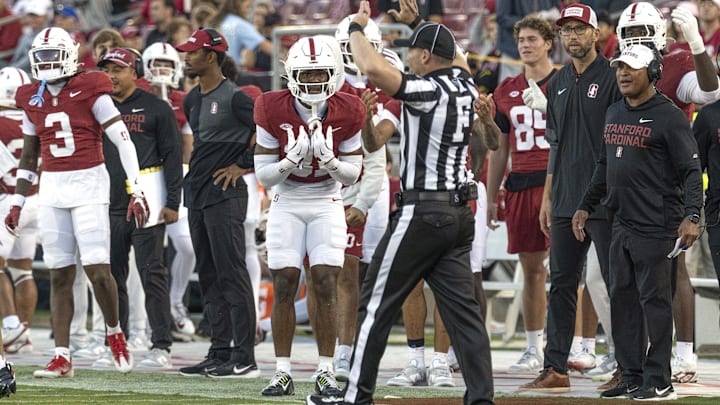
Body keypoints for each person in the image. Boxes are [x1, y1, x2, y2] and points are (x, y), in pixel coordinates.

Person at [307, 2, 494, 404]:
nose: (408, 57)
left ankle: (355, 396)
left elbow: (374, 70)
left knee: (374, 306)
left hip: (423, 210)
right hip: (458, 215)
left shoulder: (429, 88)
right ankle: (481, 399)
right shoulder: (464, 83)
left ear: (425, 56)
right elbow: (454, 57)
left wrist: (357, 27)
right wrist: (416, 22)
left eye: (412, 50)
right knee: (465, 316)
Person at [589, 2, 720, 388]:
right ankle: (629, 362)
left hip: (665, 185)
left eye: (643, 32)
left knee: (668, 275)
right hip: (624, 182)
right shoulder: (620, 66)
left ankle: (680, 355)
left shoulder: (676, 61)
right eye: (629, 34)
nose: (636, 41)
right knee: (612, 280)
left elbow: (711, 92)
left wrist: (696, 43)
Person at [6, 26, 146, 378]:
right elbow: (29, 154)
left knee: (98, 270)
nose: (48, 63)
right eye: (42, 57)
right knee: (59, 274)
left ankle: (115, 333)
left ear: (69, 54)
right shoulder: (29, 96)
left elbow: (123, 140)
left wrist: (137, 188)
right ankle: (61, 355)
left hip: (88, 182)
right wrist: (18, 200)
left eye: (54, 55)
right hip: (52, 186)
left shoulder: (93, 86)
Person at [573, 43, 702, 400]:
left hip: (658, 224)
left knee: (655, 303)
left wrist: (692, 216)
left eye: (631, 67)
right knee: (622, 300)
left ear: (654, 72)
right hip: (621, 222)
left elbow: (691, 170)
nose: (623, 73)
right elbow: (604, 165)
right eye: (619, 68)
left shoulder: (670, 116)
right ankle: (630, 374)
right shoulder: (614, 111)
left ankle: (659, 380)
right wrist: (586, 204)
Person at [520, 4, 622, 393]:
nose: (573, 36)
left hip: (605, 199)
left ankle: (627, 365)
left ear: (595, 34)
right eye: (567, 30)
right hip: (564, 199)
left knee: (616, 284)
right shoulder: (558, 81)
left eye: (580, 29)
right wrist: (548, 197)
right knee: (560, 284)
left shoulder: (613, 76)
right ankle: (555, 368)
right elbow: (556, 145)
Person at [254, 34, 363, 398]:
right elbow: (263, 174)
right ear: (291, 74)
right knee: (285, 280)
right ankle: (282, 371)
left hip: (327, 199)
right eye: (307, 74)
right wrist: (288, 162)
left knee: (326, 281)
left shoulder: (349, 107)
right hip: (287, 198)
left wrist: (331, 162)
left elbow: (354, 172)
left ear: (333, 74)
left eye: (320, 74)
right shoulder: (271, 107)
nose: (314, 82)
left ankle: (326, 370)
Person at [174, 28, 258, 378]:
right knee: (208, 274)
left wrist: (244, 165)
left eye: (193, 52)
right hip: (198, 195)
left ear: (212, 57)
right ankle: (219, 350)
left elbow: (273, 131)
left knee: (232, 273)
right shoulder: (192, 99)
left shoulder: (236, 97)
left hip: (226, 196)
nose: (187, 57)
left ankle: (245, 356)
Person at [98, 47, 183, 369]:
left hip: (147, 199)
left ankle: (160, 344)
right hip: (108, 202)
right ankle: (115, 344)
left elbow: (173, 156)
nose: (111, 76)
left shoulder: (157, 108)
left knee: (152, 273)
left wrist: (173, 202)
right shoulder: (98, 108)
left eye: (117, 69)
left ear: (135, 72)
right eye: (106, 69)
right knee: (111, 277)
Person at [482, 15, 556, 375]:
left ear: (548, 43)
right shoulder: (505, 90)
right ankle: (533, 346)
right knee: (531, 271)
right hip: (522, 183)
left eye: (532, 39)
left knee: (568, 269)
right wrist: (492, 194)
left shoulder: (565, 81)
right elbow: (498, 149)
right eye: (521, 39)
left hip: (558, 181)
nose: (525, 44)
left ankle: (573, 345)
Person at [331, 14, 391, 382]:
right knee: (326, 273)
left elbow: (375, 150)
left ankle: (349, 347)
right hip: (323, 190)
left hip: (367, 187)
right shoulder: (321, 83)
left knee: (366, 272)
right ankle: (338, 347)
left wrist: (363, 201)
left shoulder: (382, 85)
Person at [141, 41, 197, 337]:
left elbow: (187, 147)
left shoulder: (184, 100)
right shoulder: (136, 97)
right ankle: (149, 320)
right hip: (144, 180)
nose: (161, 71)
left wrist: (182, 176)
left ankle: (175, 302)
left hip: (175, 179)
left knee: (187, 247)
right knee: (150, 253)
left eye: (167, 65)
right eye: (156, 65)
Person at [0, 67, 37, 356]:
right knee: (23, 271)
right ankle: (23, 333)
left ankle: (12, 325)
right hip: (36, 201)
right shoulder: (33, 118)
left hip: (9, 202)